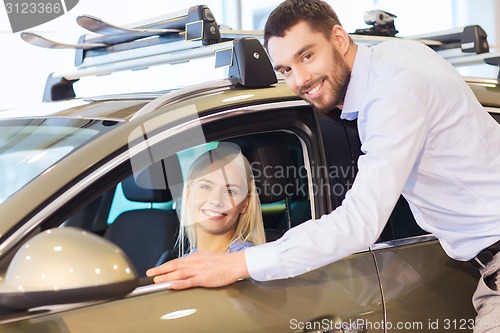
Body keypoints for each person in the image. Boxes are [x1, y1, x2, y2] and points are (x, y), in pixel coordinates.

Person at [147, 1, 500, 330]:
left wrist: (236, 264)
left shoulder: (392, 94)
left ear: (339, 37)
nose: (299, 80)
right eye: (285, 68)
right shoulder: (394, 58)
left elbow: (359, 223)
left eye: (307, 56)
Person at [176, 143, 265, 256]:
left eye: (230, 191)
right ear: (188, 194)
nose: (216, 201)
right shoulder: (184, 262)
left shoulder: (250, 262)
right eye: (206, 187)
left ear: (245, 204)